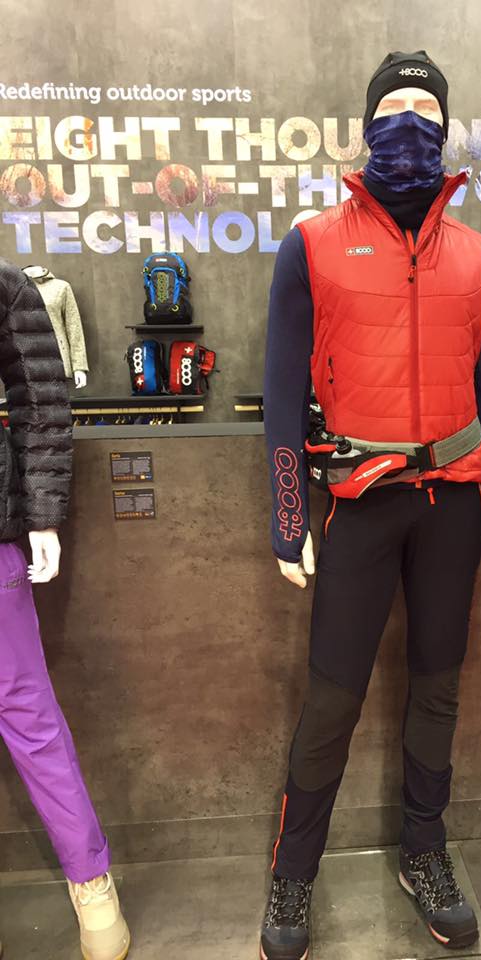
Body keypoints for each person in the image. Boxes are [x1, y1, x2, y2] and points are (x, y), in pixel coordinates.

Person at [261, 50, 481, 959]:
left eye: (427, 105)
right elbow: (279, 396)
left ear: (446, 129)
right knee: (331, 700)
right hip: (361, 504)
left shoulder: (479, 257)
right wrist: (288, 517)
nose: (411, 118)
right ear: (368, 127)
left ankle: (425, 853)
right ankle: (294, 874)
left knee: (437, 691)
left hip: (453, 506)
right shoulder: (310, 244)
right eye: (395, 106)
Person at [0, 258, 130, 960]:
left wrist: (42, 513)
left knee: (27, 710)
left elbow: (40, 394)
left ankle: (90, 878)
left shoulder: (7, 286)